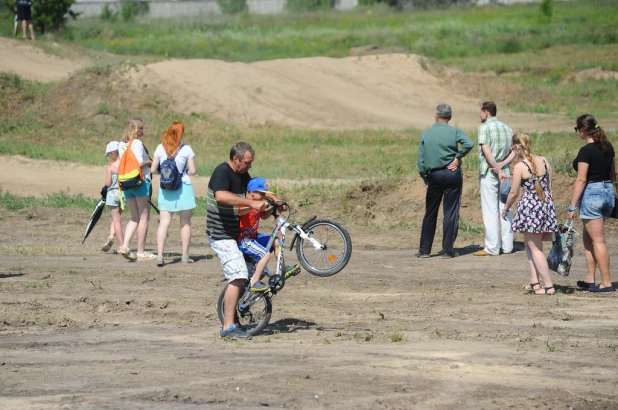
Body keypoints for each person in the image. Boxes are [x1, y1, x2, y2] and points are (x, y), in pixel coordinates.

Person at [207, 142, 271, 340]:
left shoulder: (243, 175)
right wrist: (251, 203)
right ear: (236, 159)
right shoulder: (222, 172)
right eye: (247, 163)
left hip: (236, 234)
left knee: (245, 275)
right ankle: (228, 328)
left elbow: (254, 195)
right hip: (221, 235)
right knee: (238, 275)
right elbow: (221, 196)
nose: (249, 166)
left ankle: (234, 313)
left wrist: (272, 204)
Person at [502, 133, 559, 295]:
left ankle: (548, 286)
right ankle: (535, 282)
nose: (513, 152)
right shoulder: (545, 161)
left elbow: (513, 193)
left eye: (513, 149)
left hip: (530, 208)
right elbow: (549, 187)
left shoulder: (520, 166)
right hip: (545, 205)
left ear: (517, 146)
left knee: (535, 249)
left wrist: (506, 209)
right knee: (532, 246)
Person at [416, 103, 474, 258]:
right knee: (451, 212)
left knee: (430, 213)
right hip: (452, 173)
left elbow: (421, 161)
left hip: (434, 175)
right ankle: (447, 250)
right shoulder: (455, 131)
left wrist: (426, 178)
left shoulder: (426, 133)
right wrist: (458, 158)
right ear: (450, 117)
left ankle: (424, 250)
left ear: (436, 116)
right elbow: (469, 144)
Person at [567, 114, 615, 293]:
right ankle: (590, 278)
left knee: (598, 241)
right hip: (607, 191)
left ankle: (606, 283)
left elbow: (581, 180)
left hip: (592, 194)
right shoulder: (608, 147)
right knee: (589, 238)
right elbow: (613, 174)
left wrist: (572, 206)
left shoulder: (585, 151)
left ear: (581, 130)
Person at [237, 177, 299, 292]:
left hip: (254, 237)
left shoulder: (257, 204)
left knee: (276, 241)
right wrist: (253, 205)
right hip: (244, 240)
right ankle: (254, 282)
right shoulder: (245, 203)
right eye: (261, 194)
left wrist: (272, 208)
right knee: (265, 255)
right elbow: (240, 211)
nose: (263, 196)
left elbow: (264, 216)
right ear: (252, 192)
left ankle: (283, 270)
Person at [150, 121, 197, 267]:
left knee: (164, 222)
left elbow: (153, 170)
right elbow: (193, 171)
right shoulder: (187, 149)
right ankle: (184, 255)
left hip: (166, 188)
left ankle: (160, 256)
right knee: (185, 223)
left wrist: (163, 173)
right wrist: (185, 173)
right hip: (184, 187)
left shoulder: (160, 148)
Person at [474, 101, 516, 257]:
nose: (479, 115)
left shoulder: (484, 128)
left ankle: (492, 247)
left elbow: (486, 151)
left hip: (490, 172)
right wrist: (503, 166)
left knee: (490, 210)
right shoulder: (507, 128)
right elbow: (514, 151)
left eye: (481, 112)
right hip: (505, 172)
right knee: (506, 208)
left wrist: (496, 169)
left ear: (486, 112)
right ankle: (508, 246)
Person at [117, 117, 154, 261]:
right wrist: (150, 162)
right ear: (135, 129)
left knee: (134, 217)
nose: (143, 130)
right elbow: (139, 163)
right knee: (144, 217)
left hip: (126, 183)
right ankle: (141, 251)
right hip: (140, 183)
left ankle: (125, 246)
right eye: (141, 128)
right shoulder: (137, 143)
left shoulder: (121, 145)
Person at [100, 141, 124, 254]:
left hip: (112, 195)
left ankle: (121, 245)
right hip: (124, 195)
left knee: (116, 220)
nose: (109, 157)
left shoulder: (111, 166)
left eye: (110, 154)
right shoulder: (125, 164)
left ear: (114, 153)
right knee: (117, 218)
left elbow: (108, 183)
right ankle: (110, 236)